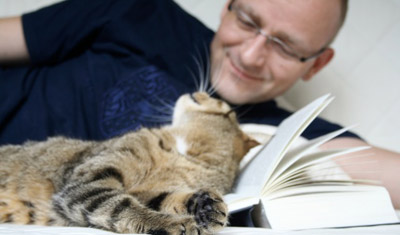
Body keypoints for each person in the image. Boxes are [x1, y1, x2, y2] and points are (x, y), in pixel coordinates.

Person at [0, 0, 398, 209]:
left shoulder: (272, 133)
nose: (251, 55)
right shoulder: (137, 12)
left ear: (316, 64)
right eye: (247, 20)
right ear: (228, 6)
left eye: (285, 46)